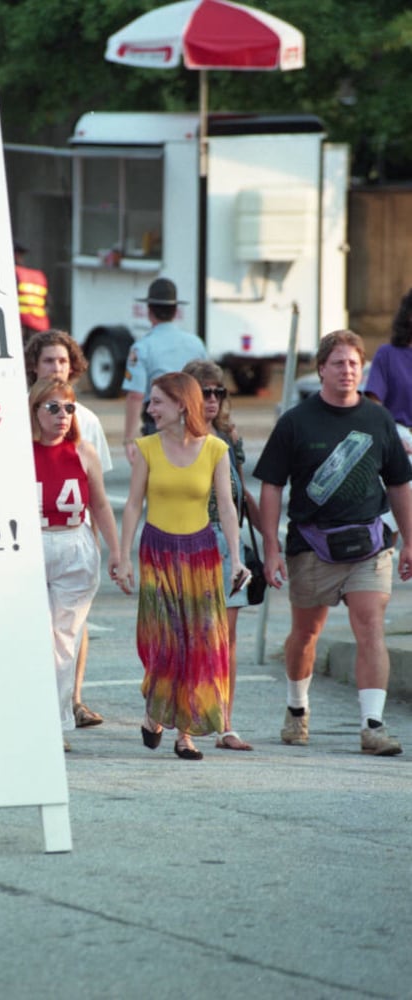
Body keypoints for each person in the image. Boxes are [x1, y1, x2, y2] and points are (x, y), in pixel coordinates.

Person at [253, 330, 412, 756]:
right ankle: (297, 709)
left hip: (370, 545)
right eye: (338, 363)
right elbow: (271, 486)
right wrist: (271, 549)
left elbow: (399, 483)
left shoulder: (378, 421)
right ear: (321, 368)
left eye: (354, 364)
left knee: (370, 626)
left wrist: (409, 541)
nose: (347, 371)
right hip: (311, 544)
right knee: (306, 633)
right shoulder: (295, 421)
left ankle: (372, 725)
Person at [116, 371, 247, 761]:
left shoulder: (215, 450)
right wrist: (122, 557)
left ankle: (184, 734)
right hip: (157, 551)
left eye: (157, 401)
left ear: (180, 405)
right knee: (165, 641)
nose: (150, 408)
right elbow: (133, 504)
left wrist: (237, 559)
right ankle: (155, 713)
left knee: (198, 643)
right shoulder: (147, 448)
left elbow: (226, 506)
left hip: (200, 554)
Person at [25, 329, 112, 728]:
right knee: (37, 635)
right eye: (53, 409)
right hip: (32, 541)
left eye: (68, 409)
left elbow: (99, 503)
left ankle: (59, 718)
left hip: (73, 540)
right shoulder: (18, 446)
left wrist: (116, 554)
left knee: (64, 639)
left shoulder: (84, 443)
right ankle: (35, 713)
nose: (63, 416)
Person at [184, 359, 261, 751]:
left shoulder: (229, 438)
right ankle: (189, 716)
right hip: (189, 542)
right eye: (204, 392)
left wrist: (271, 544)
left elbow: (240, 497)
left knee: (225, 638)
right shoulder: (174, 437)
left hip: (225, 543)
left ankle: (225, 723)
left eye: (218, 392)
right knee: (192, 635)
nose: (212, 399)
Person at [122, 278, 207, 464]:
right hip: (195, 423)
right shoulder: (196, 343)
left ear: (149, 311)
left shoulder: (142, 347)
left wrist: (129, 438)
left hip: (159, 424)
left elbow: (135, 395)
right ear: (176, 311)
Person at [364, 288, 412, 543]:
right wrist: (393, 439)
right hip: (399, 438)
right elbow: (373, 402)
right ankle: (379, 568)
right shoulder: (388, 355)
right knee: (390, 523)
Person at [14, 240, 50, 343]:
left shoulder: (13, 274)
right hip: (39, 329)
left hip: (21, 329)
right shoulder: (38, 276)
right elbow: (47, 305)